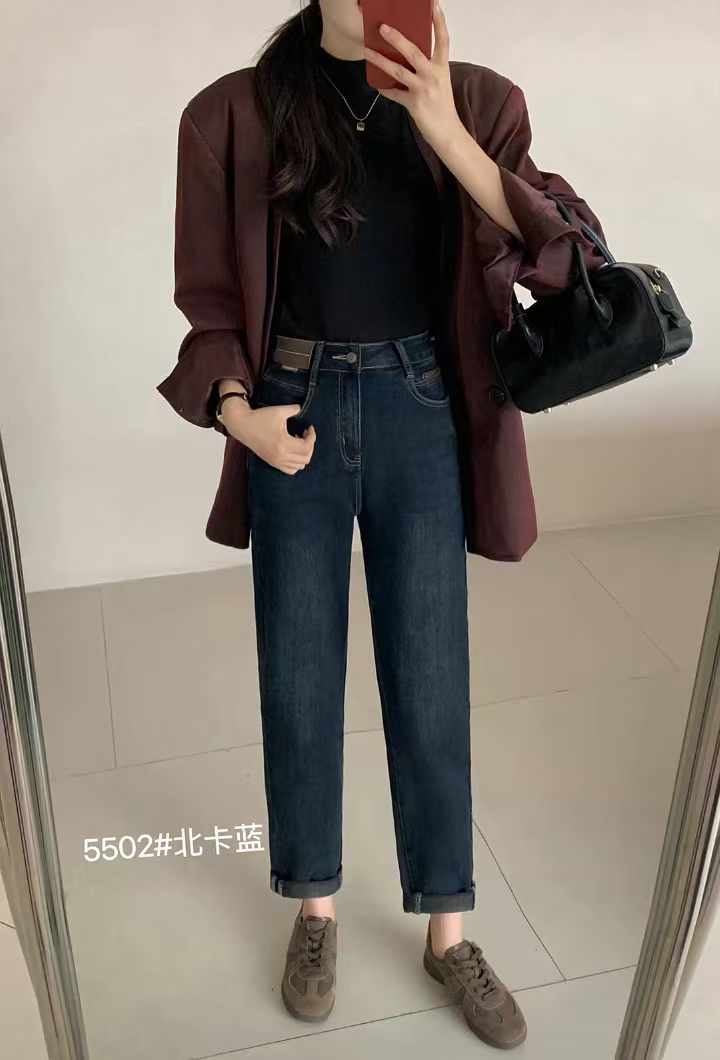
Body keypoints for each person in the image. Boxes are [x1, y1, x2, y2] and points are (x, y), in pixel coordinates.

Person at [158, 0, 608, 1048]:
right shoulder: (229, 115)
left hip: (422, 407)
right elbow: (209, 299)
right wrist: (238, 414)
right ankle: (314, 909)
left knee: (430, 675)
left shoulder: (483, 102)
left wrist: (444, 128)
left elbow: (565, 254)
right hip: (291, 409)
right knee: (299, 675)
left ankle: (449, 931)